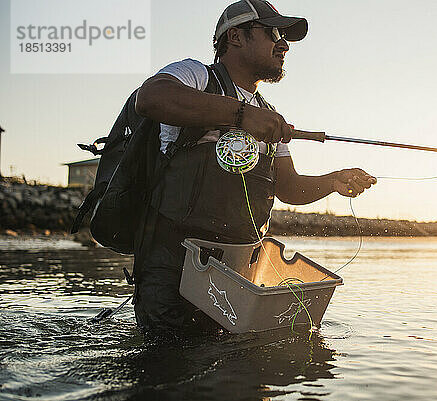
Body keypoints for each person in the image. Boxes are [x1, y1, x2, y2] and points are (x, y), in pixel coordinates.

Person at [133, 0, 376, 334]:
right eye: (272, 32)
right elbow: (150, 98)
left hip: (236, 277)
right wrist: (241, 116)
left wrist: (333, 181)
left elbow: (290, 188)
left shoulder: (270, 116)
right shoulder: (196, 75)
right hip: (173, 274)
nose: (284, 44)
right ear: (235, 36)